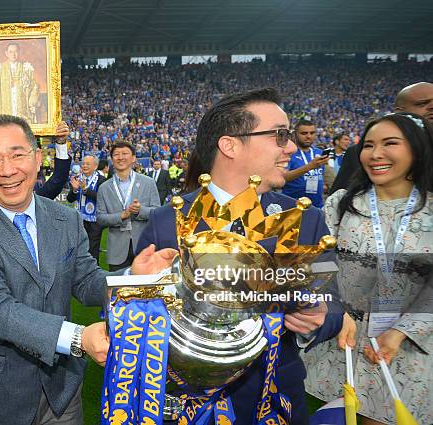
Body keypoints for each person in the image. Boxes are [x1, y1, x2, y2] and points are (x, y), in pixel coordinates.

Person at [0, 114, 176, 425]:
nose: (8, 169)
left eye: (17, 154)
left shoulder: (65, 217)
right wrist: (78, 338)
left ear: (38, 159)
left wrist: (133, 277)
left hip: (61, 391)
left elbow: (87, 280)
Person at [136, 88, 344, 424]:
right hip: (190, 403)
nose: (290, 146)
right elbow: (127, 317)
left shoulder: (308, 220)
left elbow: (334, 304)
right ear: (230, 145)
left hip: (277, 400)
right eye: (280, 135)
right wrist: (138, 289)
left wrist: (318, 317)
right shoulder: (166, 221)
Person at [303, 113, 432, 425]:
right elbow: (313, 262)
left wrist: (401, 333)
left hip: (404, 353)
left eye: (390, 144)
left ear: (416, 150)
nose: (376, 154)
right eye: (369, 145)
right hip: (336, 345)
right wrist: (332, 309)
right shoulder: (341, 204)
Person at [331, 81, 433, 194]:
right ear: (399, 112)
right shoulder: (360, 154)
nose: (432, 107)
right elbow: (343, 204)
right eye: (423, 103)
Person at [0, 119, 71, 201]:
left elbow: (58, 179)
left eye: (17, 156)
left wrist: (61, 142)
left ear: (37, 160)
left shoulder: (37, 196)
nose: (8, 172)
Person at [97, 141, 161, 271]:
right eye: (116, 154)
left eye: (125, 153)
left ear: (133, 158)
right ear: (112, 159)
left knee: (145, 289)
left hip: (144, 246)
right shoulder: (104, 187)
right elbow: (100, 218)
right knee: (119, 289)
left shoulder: (148, 183)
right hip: (117, 250)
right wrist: (122, 215)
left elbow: (157, 213)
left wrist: (140, 211)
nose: (120, 157)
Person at [0, 43, 41, 123]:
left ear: (19, 52)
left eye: (16, 51)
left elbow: (34, 87)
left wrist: (32, 103)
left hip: (22, 108)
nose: (13, 54)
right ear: (6, 53)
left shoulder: (26, 68)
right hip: (4, 107)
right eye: (11, 52)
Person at [282, 119, 330, 208]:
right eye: (304, 133)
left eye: (312, 133)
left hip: (317, 206)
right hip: (293, 206)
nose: (308, 136)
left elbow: (319, 175)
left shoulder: (319, 152)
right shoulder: (289, 152)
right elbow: (283, 178)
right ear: (295, 134)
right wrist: (308, 167)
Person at [67, 155, 105, 261]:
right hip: (79, 220)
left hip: (95, 222)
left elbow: (102, 198)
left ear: (95, 166)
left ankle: (93, 275)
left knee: (93, 250)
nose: (84, 166)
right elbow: (70, 199)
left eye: (88, 164)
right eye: (83, 163)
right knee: (79, 249)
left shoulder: (101, 180)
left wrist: (85, 190)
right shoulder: (77, 178)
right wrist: (74, 190)